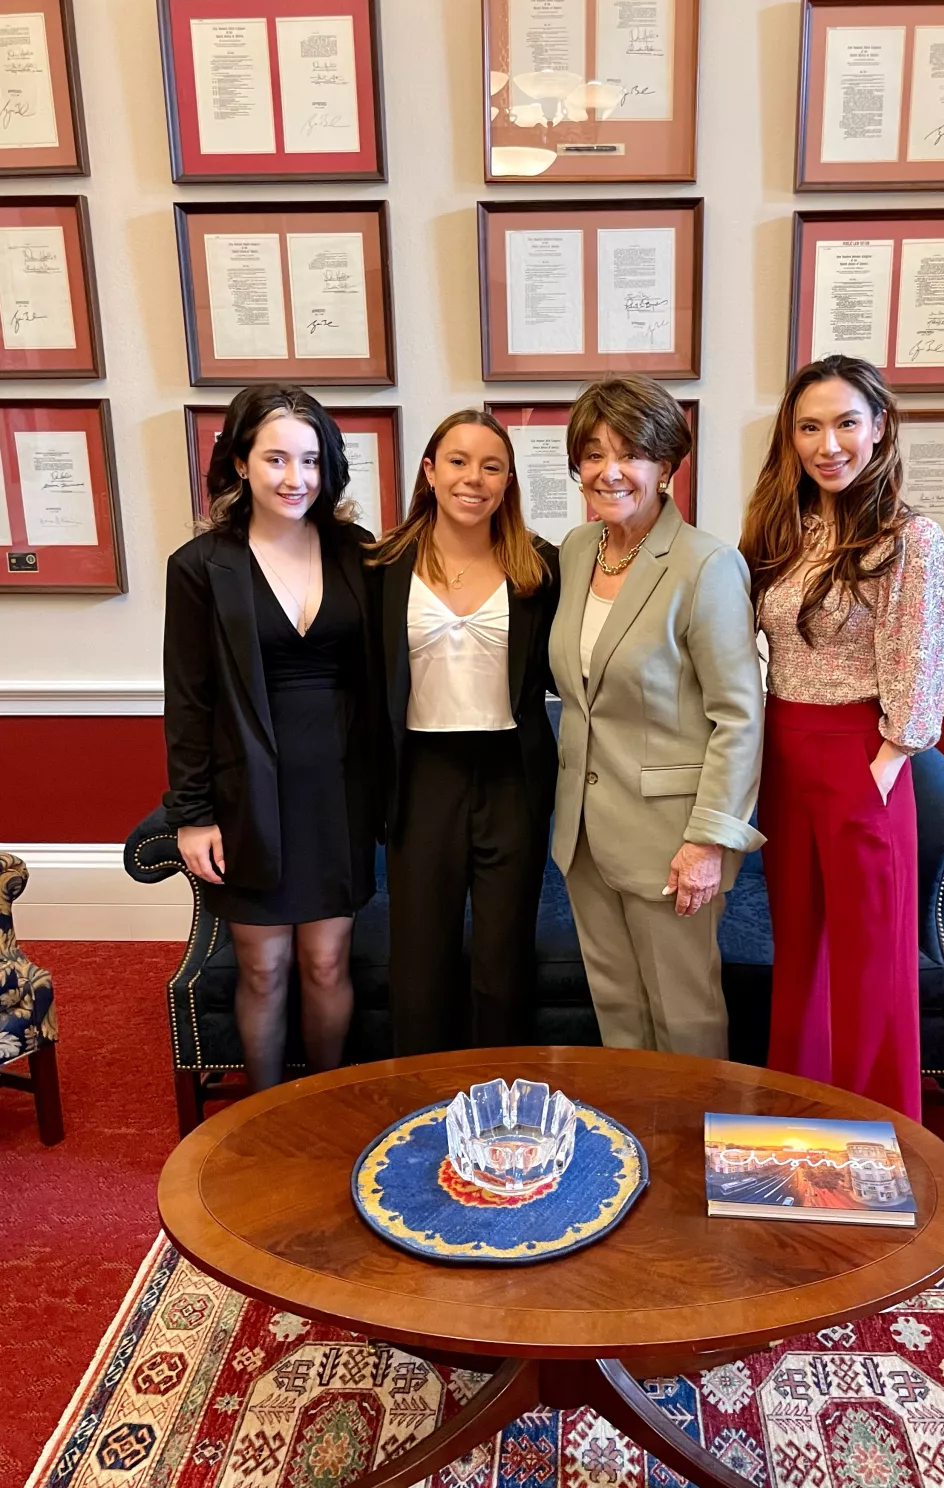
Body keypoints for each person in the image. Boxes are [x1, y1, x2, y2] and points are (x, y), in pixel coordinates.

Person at [741, 354, 944, 1120]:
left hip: (864, 758)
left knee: (871, 961)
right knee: (799, 953)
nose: (828, 443)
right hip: (783, 753)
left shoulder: (912, 541)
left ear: (879, 427)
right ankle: (798, 1123)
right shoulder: (780, 531)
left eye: (845, 423)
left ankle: (875, 1134)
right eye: (809, 426)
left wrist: (886, 764)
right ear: (790, 437)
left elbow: (919, 668)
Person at [163, 385, 378, 1092]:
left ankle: (323, 1109)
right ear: (241, 462)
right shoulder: (199, 567)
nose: (296, 478)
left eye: (311, 460)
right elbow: (189, 700)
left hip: (339, 790)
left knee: (325, 962)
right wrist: (192, 816)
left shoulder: (359, 552)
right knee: (264, 965)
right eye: (277, 458)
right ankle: (263, 1122)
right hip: (247, 792)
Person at [549, 375, 764, 1058]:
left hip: (672, 837)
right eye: (592, 454)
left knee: (684, 1014)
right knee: (617, 1005)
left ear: (667, 464)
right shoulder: (577, 551)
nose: (608, 471)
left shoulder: (707, 566)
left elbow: (739, 715)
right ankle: (635, 1145)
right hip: (585, 831)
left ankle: (691, 1148)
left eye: (630, 454)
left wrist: (708, 842)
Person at [366, 410, 559, 1055]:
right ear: (428, 470)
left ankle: (506, 1109)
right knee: (422, 957)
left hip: (513, 776)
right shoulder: (381, 567)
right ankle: (423, 1099)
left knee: (504, 959)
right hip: (421, 773)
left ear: (508, 484)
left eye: (491, 466)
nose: (473, 478)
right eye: (457, 461)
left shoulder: (542, 570)